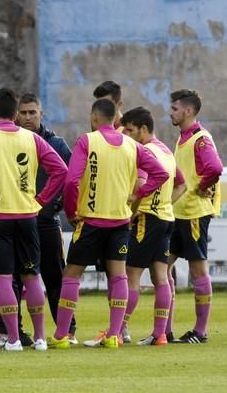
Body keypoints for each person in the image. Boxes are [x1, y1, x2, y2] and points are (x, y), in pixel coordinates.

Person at [48, 98, 168, 350]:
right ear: (116, 119)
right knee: (119, 276)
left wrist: (71, 212)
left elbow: (71, 182)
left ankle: (61, 335)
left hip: (90, 220)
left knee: (72, 275)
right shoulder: (132, 145)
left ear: (94, 118)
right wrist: (137, 194)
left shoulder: (87, 141)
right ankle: (114, 335)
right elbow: (162, 173)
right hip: (120, 222)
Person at [0, 87, 68, 351]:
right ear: (16, 114)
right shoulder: (32, 139)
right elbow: (60, 170)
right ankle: (40, 337)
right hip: (28, 215)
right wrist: (41, 200)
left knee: (4, 278)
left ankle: (14, 339)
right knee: (31, 275)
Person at [119, 107, 187, 345]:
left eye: (129, 130)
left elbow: (141, 183)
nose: (126, 135)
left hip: (146, 219)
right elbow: (182, 185)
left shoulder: (144, 152)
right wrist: (166, 204)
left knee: (131, 276)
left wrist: (130, 215)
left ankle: (118, 329)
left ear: (143, 129)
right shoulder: (166, 151)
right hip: (166, 219)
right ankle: (160, 334)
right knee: (161, 276)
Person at [15, 92, 77, 343]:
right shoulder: (8, 141)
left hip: (45, 221)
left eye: (32, 112)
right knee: (13, 279)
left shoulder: (57, 144)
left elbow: (72, 178)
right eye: (23, 112)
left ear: (42, 113)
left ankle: (67, 330)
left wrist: (56, 206)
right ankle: (11, 332)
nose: (28, 117)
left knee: (55, 277)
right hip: (16, 219)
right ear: (16, 114)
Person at [168, 89, 223, 344]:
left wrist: (202, 187)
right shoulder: (183, 138)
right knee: (162, 268)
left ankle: (200, 331)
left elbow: (215, 168)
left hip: (193, 214)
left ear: (188, 111)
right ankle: (163, 329)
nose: (171, 112)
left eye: (175, 108)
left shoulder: (200, 138)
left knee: (198, 269)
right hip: (177, 213)